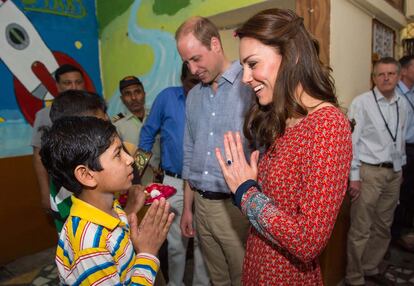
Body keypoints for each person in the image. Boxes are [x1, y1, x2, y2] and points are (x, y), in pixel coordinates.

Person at [214, 9, 352, 285]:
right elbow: (279, 206)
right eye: (243, 67)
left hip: (287, 276)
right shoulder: (285, 119)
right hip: (258, 264)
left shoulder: (327, 125)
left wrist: (246, 192)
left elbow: (307, 241)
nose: (245, 78)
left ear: (292, 56)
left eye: (253, 64)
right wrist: (252, 185)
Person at [40, 116, 174, 285]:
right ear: (87, 175)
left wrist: (136, 235)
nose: (130, 159)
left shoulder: (110, 205)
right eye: (118, 154)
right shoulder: (89, 245)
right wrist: (147, 254)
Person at [176, 16, 254, 286]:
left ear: (215, 44)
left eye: (196, 59)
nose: (192, 69)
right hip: (201, 206)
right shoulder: (194, 96)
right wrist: (188, 208)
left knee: (244, 278)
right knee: (217, 279)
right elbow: (189, 153)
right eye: (186, 62)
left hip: (235, 209)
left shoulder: (250, 88)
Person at [139, 63, 209, 286]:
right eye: (191, 82)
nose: (196, 87)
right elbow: (148, 133)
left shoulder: (211, 98)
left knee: (204, 243)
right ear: (182, 79)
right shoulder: (167, 98)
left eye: (200, 82)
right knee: (176, 244)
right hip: (174, 184)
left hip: (206, 185)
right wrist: (136, 173)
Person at [346, 57, 408, 286]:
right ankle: (354, 277)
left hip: (393, 174)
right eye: (381, 74)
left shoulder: (402, 103)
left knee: (384, 225)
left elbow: (399, 139)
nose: (386, 78)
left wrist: (399, 169)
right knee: (361, 228)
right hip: (368, 173)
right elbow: (352, 142)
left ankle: (370, 266)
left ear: (398, 76)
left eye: (391, 74)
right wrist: (354, 177)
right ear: (373, 77)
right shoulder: (361, 103)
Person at [32, 64, 85, 211]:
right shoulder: (44, 115)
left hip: (96, 187)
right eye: (67, 83)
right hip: (63, 191)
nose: (74, 87)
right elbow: (38, 157)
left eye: (78, 82)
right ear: (58, 86)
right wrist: (45, 192)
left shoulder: (93, 111)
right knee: (68, 231)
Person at [113, 76, 160, 185]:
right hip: (136, 182)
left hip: (162, 179)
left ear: (144, 93)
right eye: (127, 94)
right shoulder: (116, 124)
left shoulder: (156, 116)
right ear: (122, 99)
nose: (134, 97)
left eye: (137, 92)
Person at [393, 55, 414, 251]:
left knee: (408, 193)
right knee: (401, 193)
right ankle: (398, 235)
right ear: (404, 71)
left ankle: (406, 231)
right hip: (404, 148)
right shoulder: (396, 96)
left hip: (409, 151)